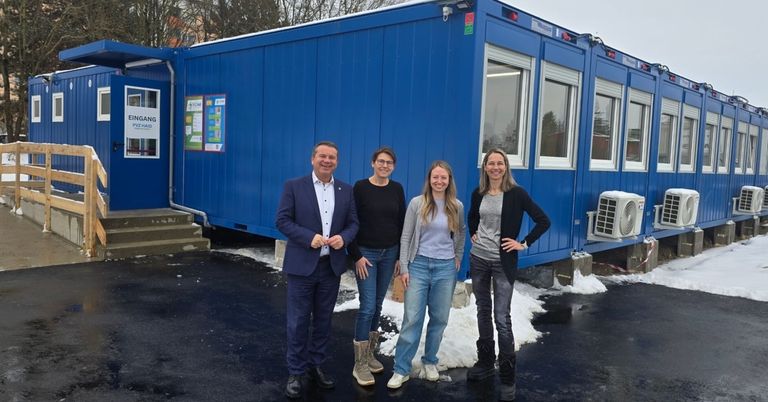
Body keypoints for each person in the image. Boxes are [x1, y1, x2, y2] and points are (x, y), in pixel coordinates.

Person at [275, 141, 359, 399]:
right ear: (312, 159)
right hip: (302, 267)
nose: (327, 160)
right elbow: (282, 220)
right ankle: (296, 371)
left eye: (332, 157)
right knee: (298, 321)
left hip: (330, 267)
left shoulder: (346, 189)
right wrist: (307, 237)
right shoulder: (294, 186)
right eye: (322, 156)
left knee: (323, 321)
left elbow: (353, 223)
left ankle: (316, 366)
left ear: (337, 161)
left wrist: (343, 238)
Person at [466, 148, 550, 401]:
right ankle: (485, 361)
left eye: (499, 163)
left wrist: (523, 243)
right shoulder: (478, 193)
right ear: (485, 167)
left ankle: (507, 372)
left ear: (506, 167)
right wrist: (473, 233)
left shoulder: (517, 194)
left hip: (503, 263)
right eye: (491, 163)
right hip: (479, 259)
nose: (495, 167)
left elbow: (543, 220)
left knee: (501, 317)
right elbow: (472, 216)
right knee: (482, 310)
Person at [387, 160, 466, 389]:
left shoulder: (456, 206)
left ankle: (430, 361)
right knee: (412, 318)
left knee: (439, 318)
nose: (439, 181)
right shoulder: (416, 203)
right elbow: (405, 236)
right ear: (429, 180)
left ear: (449, 180)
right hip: (418, 265)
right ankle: (401, 369)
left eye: (443, 177)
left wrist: (457, 256)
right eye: (435, 177)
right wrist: (404, 267)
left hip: (445, 268)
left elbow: (460, 234)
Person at [347, 147, 406, 386]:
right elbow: (350, 221)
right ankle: (358, 364)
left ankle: (369, 354)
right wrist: (356, 256)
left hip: (389, 253)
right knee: (368, 305)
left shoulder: (397, 188)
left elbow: (401, 223)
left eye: (389, 162)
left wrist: (400, 256)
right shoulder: (360, 187)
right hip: (366, 255)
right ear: (372, 163)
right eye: (380, 161)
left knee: (379, 304)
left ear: (393, 166)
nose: (384, 165)